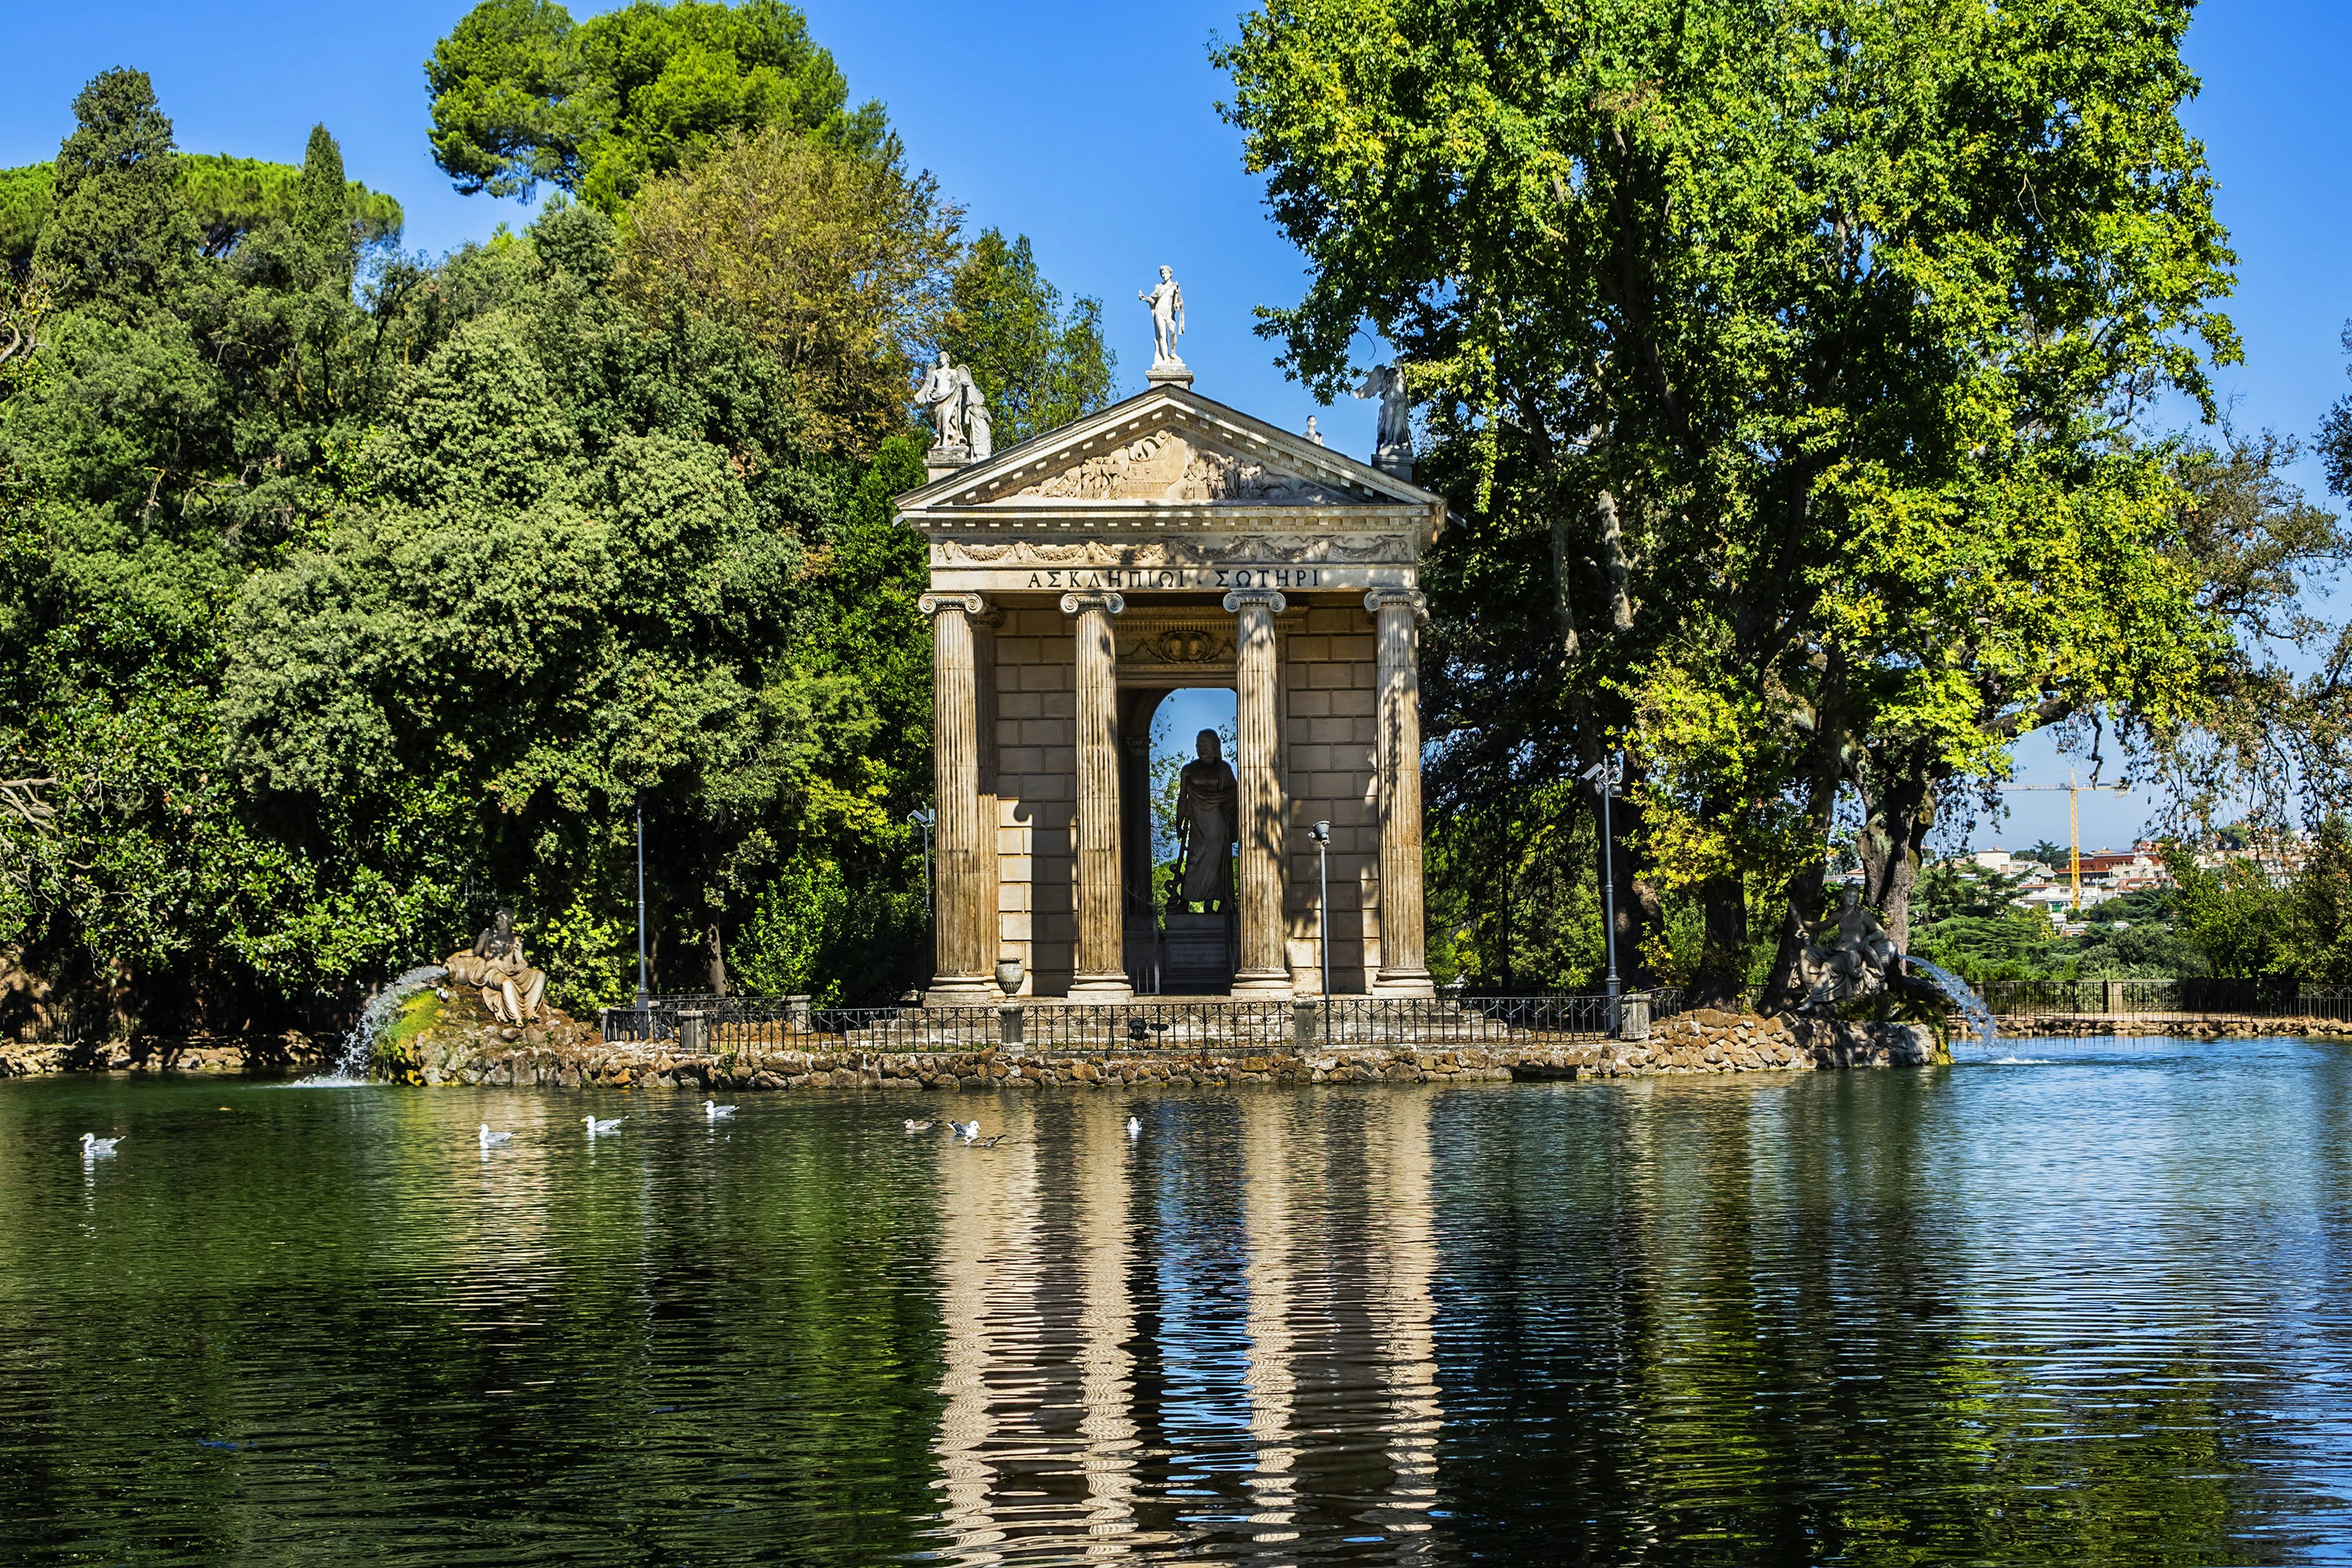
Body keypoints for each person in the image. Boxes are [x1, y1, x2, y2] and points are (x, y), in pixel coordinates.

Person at [1171, 730, 1237, 911]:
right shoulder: (1189, 770)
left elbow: (1233, 795)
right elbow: (1182, 799)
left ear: (1214, 747)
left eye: (1206, 746)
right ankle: (1185, 901)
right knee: (1193, 859)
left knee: (1215, 865)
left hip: (1217, 824)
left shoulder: (1223, 769)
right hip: (1198, 824)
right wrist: (1179, 821)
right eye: (1199, 746)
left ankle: (1210, 904)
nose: (1202, 750)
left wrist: (1233, 825)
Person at [1138, 266, 1185, 366]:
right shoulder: (1158, 287)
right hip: (1159, 312)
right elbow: (1153, 300)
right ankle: (1165, 358)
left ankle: (1172, 353)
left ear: (1170, 274)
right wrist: (1145, 298)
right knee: (1162, 336)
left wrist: (1177, 305)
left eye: (1166, 273)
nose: (1164, 275)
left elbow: (1180, 301)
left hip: (1169, 314)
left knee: (1172, 332)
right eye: (1162, 274)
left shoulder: (1175, 287)